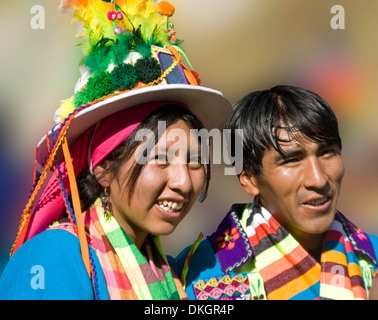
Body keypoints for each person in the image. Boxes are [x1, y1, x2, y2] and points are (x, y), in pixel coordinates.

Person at [0, 0, 232, 299]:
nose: (183, 182)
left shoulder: (168, 272)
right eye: (160, 158)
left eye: (196, 161)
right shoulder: (55, 257)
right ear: (103, 168)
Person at [173, 85, 378, 300]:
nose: (318, 179)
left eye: (327, 153)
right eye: (291, 161)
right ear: (249, 178)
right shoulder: (202, 272)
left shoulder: (371, 258)